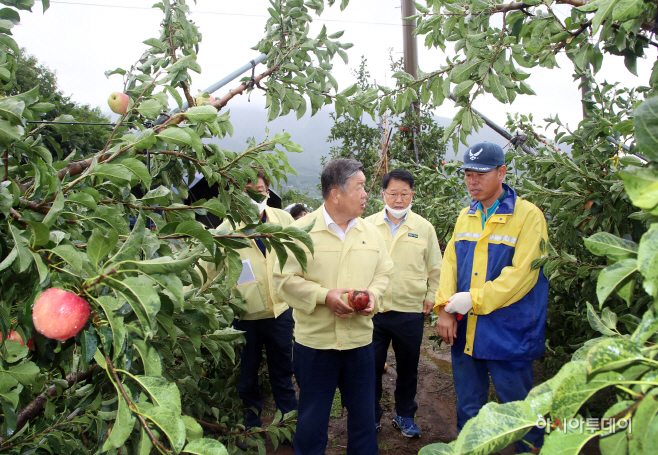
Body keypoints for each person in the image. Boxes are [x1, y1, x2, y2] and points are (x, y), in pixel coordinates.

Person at [273, 158, 394, 455]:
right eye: (360, 187)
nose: (367, 193)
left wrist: (374, 296)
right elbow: (283, 279)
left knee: (365, 420)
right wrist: (324, 295)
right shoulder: (300, 232)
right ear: (336, 194)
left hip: (360, 344)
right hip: (315, 345)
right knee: (312, 421)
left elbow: (385, 273)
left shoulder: (372, 232)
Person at [434, 142, 548, 453]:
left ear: (501, 172)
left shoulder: (527, 216)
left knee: (519, 409)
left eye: (481, 174)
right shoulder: (466, 215)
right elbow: (450, 264)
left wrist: (474, 298)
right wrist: (445, 308)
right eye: (468, 174)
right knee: (469, 407)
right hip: (467, 331)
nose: (473, 181)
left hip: (508, 332)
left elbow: (523, 274)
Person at [199, 171, 297, 433]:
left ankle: (289, 426)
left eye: (260, 189)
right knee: (247, 377)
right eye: (248, 190)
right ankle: (250, 428)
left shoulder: (284, 220)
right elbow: (206, 269)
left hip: (280, 313)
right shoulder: (226, 230)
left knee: (283, 374)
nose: (255, 195)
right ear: (238, 195)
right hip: (244, 317)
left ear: (268, 193)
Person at [364, 168, 442, 438]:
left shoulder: (423, 228)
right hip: (374, 310)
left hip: (410, 311)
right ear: (382, 194)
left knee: (408, 368)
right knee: (370, 366)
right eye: (393, 193)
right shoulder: (368, 225)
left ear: (412, 194)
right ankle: (371, 417)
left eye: (404, 193)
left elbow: (435, 268)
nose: (398, 199)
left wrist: (431, 296)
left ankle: (405, 415)